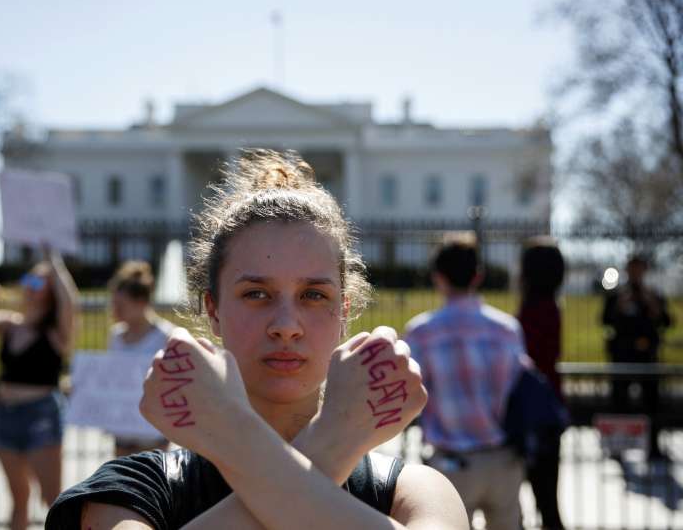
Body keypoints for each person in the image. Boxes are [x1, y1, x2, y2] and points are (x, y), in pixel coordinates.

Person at [46, 149, 468, 529]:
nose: (286, 325)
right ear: (212, 310)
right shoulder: (130, 494)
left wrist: (235, 435)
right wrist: (333, 442)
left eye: (313, 295)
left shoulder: (414, 493)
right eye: (256, 294)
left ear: (344, 311)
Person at [403, 232, 527, 530]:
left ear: (438, 278)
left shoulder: (421, 332)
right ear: (478, 276)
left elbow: (410, 394)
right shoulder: (507, 329)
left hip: (450, 462)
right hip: (502, 458)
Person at [0, 245, 78, 530]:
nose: (30, 286)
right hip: (6, 415)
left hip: (41, 414)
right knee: (18, 499)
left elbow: (71, 303)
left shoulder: (56, 333)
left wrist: (53, 261)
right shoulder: (11, 324)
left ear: (51, 290)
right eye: (29, 279)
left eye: (40, 281)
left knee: (52, 499)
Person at [602, 254, 673, 460]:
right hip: (623, 355)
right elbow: (605, 320)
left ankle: (653, 447)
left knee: (652, 402)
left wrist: (653, 307)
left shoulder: (652, 295)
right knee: (619, 402)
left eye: (639, 269)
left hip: (647, 356)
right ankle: (617, 447)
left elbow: (666, 321)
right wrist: (619, 307)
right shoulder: (617, 295)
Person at [517, 236, 566, 530]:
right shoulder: (552, 306)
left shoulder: (533, 310)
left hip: (533, 409)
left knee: (542, 495)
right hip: (550, 404)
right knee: (547, 494)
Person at [107, 260, 176, 455]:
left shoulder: (165, 336)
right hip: (122, 431)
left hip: (153, 433)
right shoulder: (115, 335)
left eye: (120, 305)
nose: (114, 310)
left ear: (141, 302)